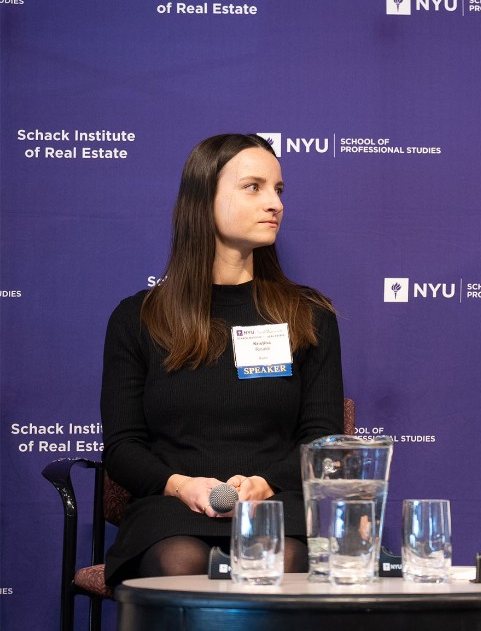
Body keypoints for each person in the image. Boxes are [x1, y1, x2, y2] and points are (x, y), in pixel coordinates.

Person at [102, 133, 344, 587]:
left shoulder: (308, 314)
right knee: (181, 561)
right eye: (253, 187)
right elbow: (123, 446)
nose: (275, 203)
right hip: (171, 507)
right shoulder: (139, 317)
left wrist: (263, 484)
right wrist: (182, 485)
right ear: (203, 199)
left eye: (278, 190)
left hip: (274, 504)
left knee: (280, 561)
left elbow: (322, 439)